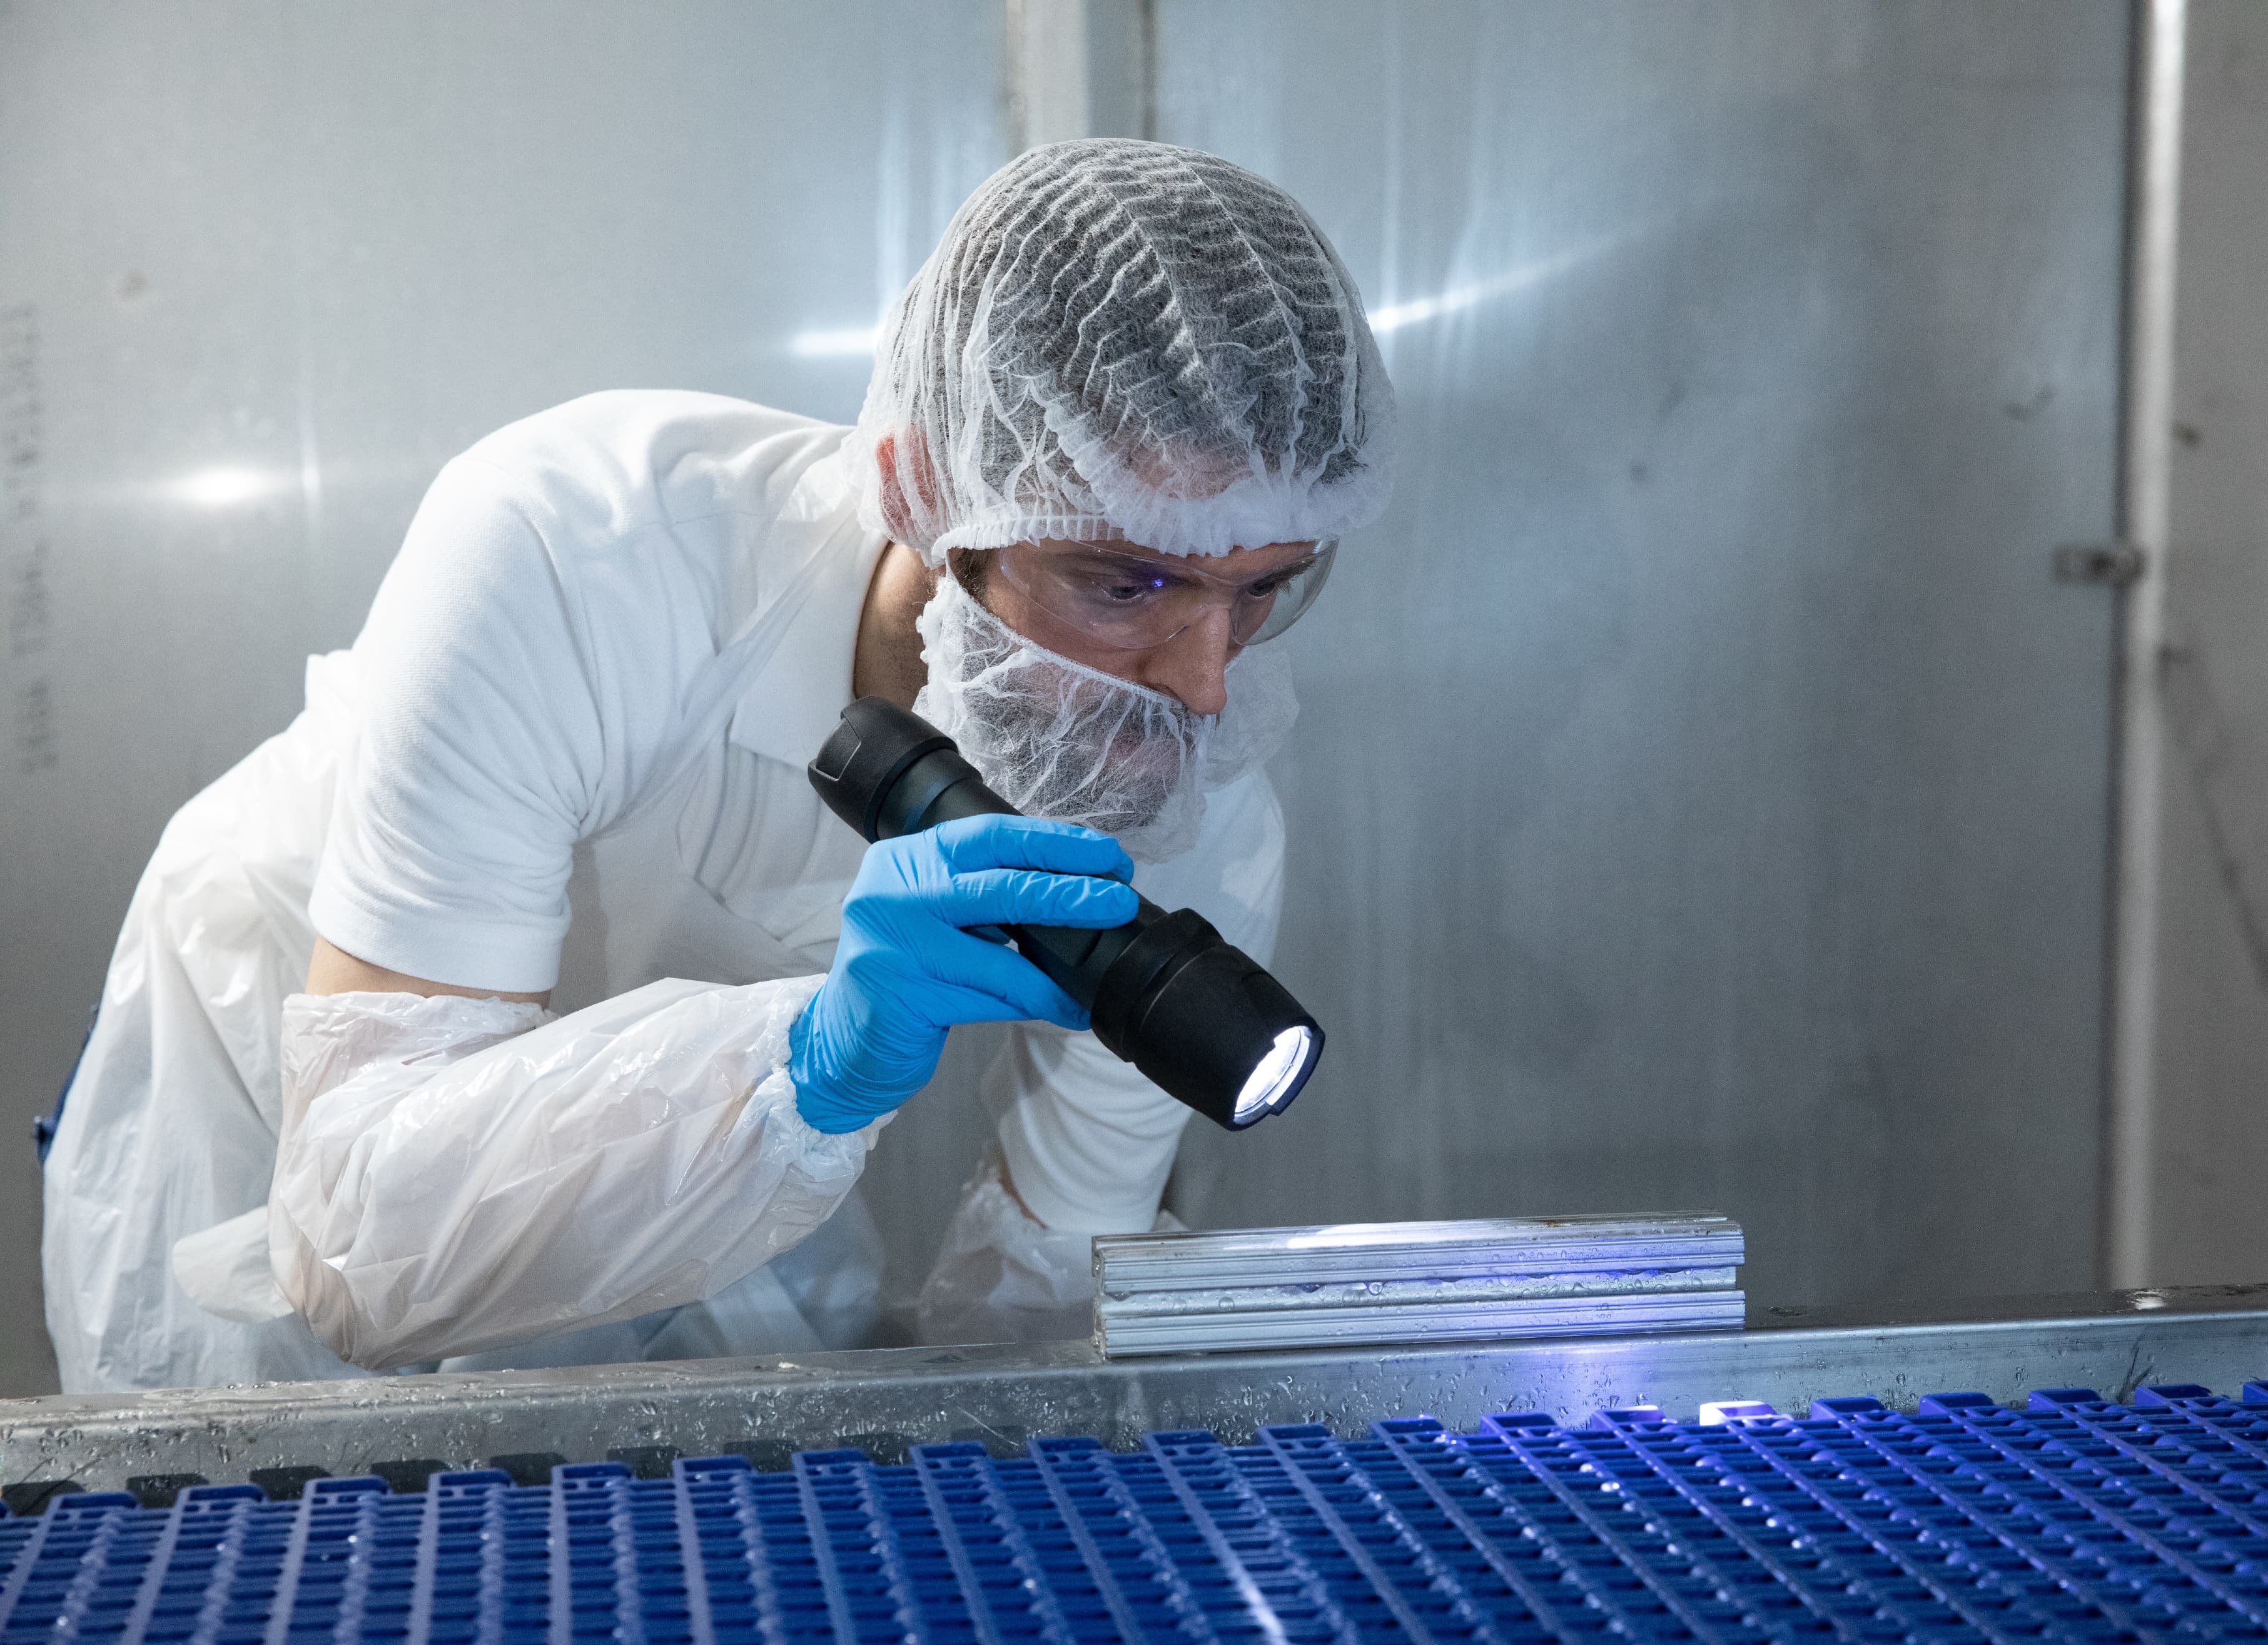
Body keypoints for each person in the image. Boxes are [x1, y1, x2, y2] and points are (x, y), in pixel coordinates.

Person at [39, 138, 1395, 1392]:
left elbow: (1040, 1308)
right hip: (292, 1090)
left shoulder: (1187, 806)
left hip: (683, 1142)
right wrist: (806, 1061)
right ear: (926, 493)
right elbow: (350, 1244)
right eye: (1126, 582)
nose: (1204, 684)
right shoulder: (581, 550)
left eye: (1265, 589)